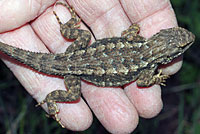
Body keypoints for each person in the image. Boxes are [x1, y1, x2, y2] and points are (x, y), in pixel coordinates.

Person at [0, 0, 183, 133]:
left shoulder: (139, 44)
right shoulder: (148, 67)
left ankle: (67, 27)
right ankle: (51, 98)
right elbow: (143, 83)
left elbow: (129, 33)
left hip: (77, 59)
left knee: (84, 37)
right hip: (74, 67)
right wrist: (156, 78)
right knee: (73, 94)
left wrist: (134, 29)